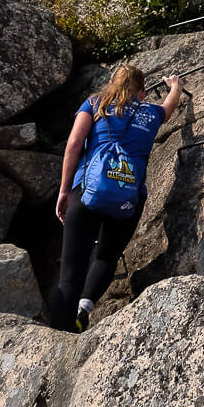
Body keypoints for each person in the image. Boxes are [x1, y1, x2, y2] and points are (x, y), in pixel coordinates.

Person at [49, 64, 184, 332]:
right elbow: (169, 106)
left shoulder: (95, 103)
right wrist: (175, 86)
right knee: (106, 256)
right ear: (143, 91)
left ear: (112, 83)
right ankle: (84, 308)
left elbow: (74, 145)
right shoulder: (151, 112)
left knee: (70, 272)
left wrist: (64, 191)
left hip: (87, 191)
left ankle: (58, 336)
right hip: (128, 197)